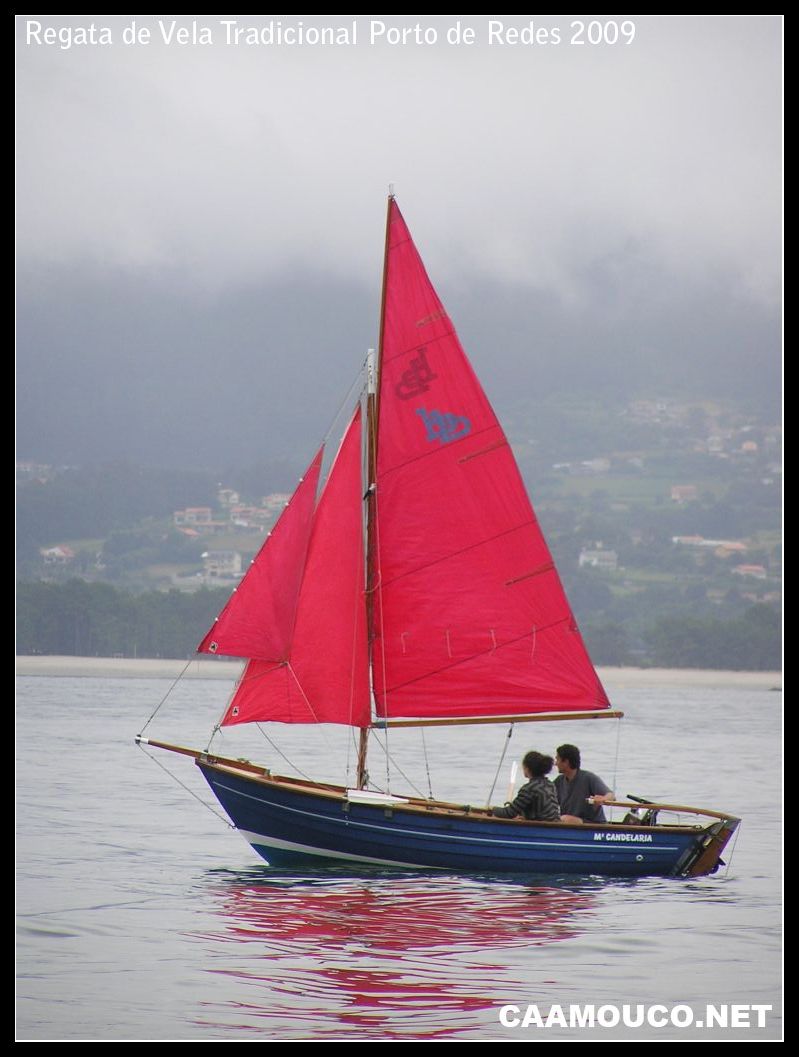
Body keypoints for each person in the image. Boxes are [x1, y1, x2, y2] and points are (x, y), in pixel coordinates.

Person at [491, 751, 561, 821]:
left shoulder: (529, 788)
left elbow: (509, 812)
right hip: (555, 824)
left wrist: (492, 809)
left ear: (527, 769)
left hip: (541, 826)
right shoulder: (551, 785)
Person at [554, 744, 614, 824]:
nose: (555, 763)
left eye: (557, 759)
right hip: (569, 824)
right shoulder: (559, 781)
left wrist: (602, 799)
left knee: (565, 819)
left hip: (592, 824)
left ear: (566, 762)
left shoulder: (588, 778)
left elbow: (611, 795)